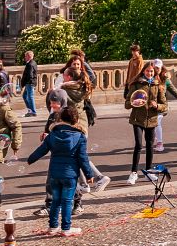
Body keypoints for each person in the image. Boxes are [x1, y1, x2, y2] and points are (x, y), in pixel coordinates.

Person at [32, 89, 109, 219]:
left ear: (62, 102)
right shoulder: (52, 116)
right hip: (57, 156)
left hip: (70, 157)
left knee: (71, 182)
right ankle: (50, 206)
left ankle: (77, 204)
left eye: (54, 103)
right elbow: (47, 132)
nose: (51, 105)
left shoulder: (69, 114)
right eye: (50, 103)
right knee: (51, 181)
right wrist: (45, 136)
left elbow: (77, 131)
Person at [26, 105, 94, 236]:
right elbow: (83, 158)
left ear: (60, 119)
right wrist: (88, 174)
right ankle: (66, 228)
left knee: (55, 200)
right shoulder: (80, 137)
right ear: (76, 120)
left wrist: (30, 159)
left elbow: (41, 150)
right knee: (67, 201)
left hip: (54, 174)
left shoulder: (52, 135)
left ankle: (52, 227)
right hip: (70, 175)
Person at [124, 63, 167, 185]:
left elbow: (165, 105)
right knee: (138, 145)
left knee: (149, 145)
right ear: (143, 71)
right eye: (148, 71)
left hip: (152, 119)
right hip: (138, 119)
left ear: (155, 73)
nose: (150, 73)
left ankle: (148, 171)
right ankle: (134, 173)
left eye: (152, 72)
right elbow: (127, 104)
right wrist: (134, 102)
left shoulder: (157, 86)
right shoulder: (137, 84)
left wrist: (157, 106)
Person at [155, 61, 177, 153]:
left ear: (161, 68)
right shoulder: (148, 77)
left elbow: (174, 91)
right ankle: (153, 140)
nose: (156, 70)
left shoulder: (165, 80)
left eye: (157, 68)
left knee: (157, 121)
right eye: (154, 67)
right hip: (151, 106)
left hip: (162, 106)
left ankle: (159, 143)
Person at [21, 50, 38, 116]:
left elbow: (29, 75)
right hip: (30, 83)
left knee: (30, 97)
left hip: (29, 83)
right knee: (25, 96)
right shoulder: (33, 62)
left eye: (25, 56)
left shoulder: (30, 64)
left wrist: (25, 82)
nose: (25, 57)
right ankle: (30, 110)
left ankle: (33, 112)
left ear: (29, 56)